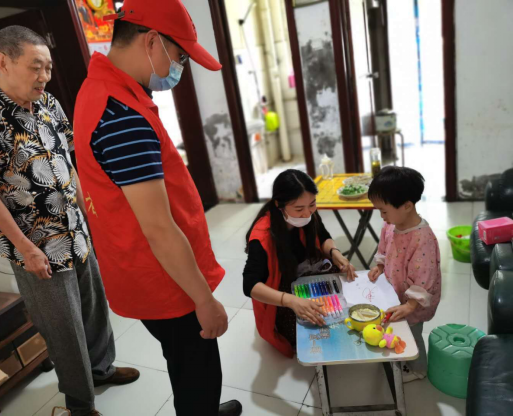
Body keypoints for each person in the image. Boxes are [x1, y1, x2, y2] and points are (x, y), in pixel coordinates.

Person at [0, 26, 139, 416]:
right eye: (36, 66)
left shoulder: (48, 103)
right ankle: (80, 402)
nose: (45, 76)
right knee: (63, 326)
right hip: (35, 241)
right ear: (4, 62)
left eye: (49, 67)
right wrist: (26, 249)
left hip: (75, 229)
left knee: (93, 309)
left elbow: (70, 163)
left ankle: (101, 370)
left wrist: (92, 214)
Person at [72, 1, 241, 415]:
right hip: (166, 279)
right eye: (180, 56)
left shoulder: (98, 89)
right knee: (199, 372)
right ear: (151, 41)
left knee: (184, 361)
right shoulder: (122, 116)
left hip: (142, 267)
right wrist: (204, 300)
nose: (180, 68)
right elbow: (160, 229)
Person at [242, 170, 357, 357]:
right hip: (282, 287)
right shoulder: (263, 236)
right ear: (279, 204)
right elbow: (250, 285)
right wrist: (290, 300)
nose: (306, 213)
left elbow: (323, 236)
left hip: (306, 270)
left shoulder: (308, 214)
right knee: (298, 329)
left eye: (312, 204)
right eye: (298, 209)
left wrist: (334, 252)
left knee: (340, 280)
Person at [367, 166, 442, 382]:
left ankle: (418, 369)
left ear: (407, 206)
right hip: (396, 293)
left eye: (384, 211)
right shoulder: (391, 224)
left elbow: (424, 279)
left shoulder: (422, 239)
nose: (382, 216)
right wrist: (380, 265)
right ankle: (398, 352)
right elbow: (384, 247)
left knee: (413, 335)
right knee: (398, 328)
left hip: (414, 302)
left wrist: (410, 305)